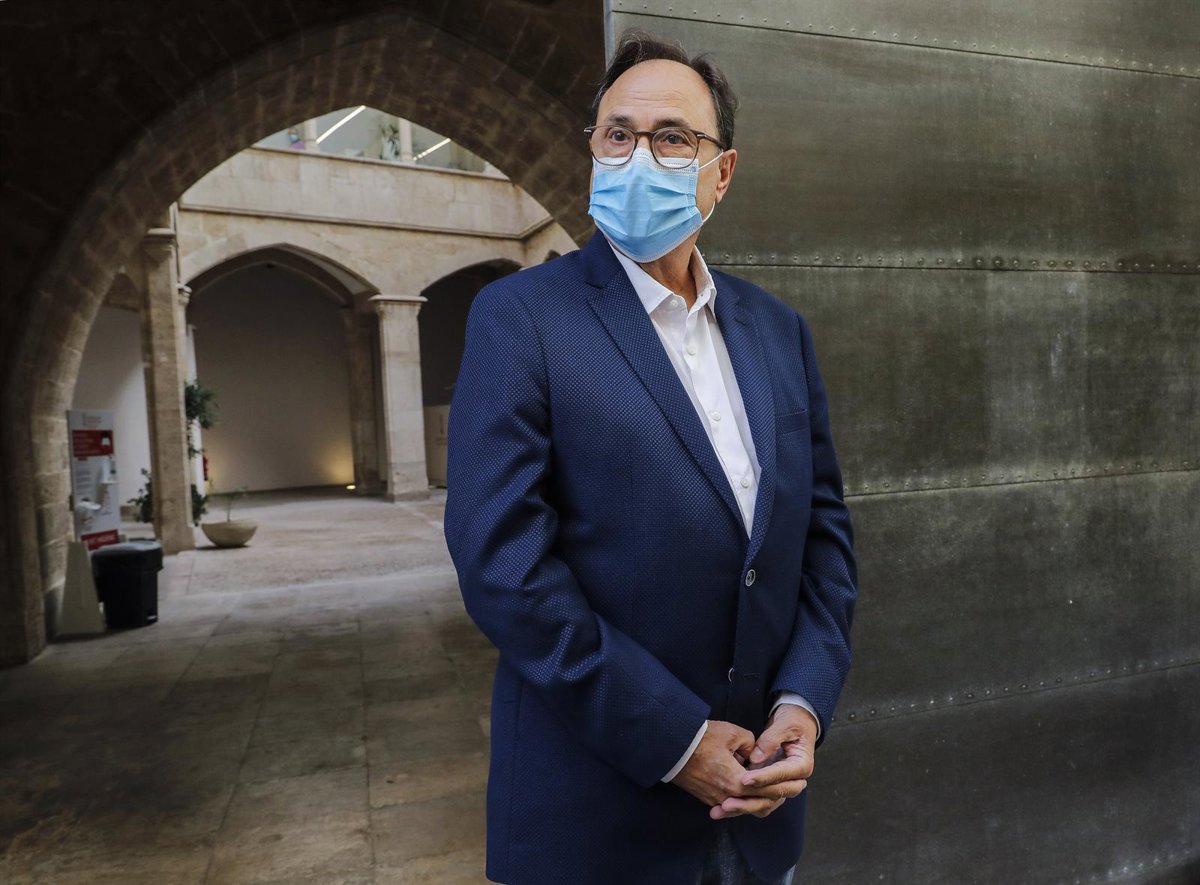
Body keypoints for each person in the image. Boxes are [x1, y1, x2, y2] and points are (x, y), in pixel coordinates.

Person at [443, 29, 857, 885]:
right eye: (617, 134)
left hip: (761, 817)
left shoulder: (777, 331)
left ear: (722, 172)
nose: (638, 157)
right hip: (598, 823)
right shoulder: (521, 319)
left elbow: (821, 538)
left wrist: (803, 702)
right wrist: (675, 738)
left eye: (671, 137)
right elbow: (503, 566)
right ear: (593, 150)